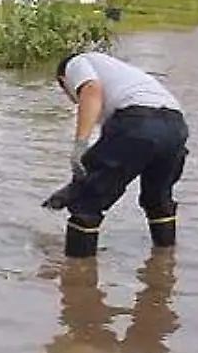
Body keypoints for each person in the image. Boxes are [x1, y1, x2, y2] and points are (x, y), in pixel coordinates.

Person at [43, 49, 189, 257]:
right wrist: (74, 186)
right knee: (158, 200)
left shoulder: (76, 63)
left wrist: (80, 145)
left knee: (87, 204)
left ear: (63, 81)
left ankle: (77, 276)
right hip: (176, 126)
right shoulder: (126, 77)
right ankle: (164, 265)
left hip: (137, 120)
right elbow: (111, 156)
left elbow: (91, 89)